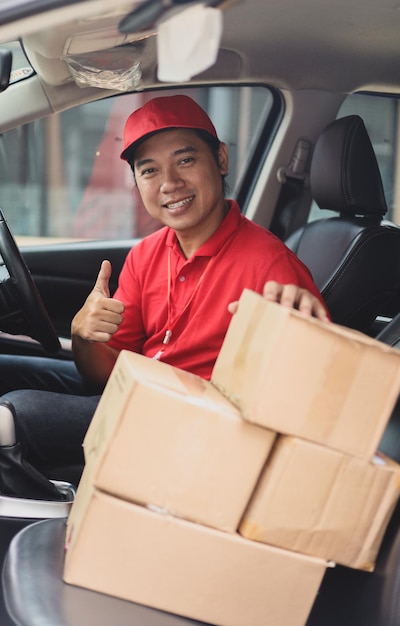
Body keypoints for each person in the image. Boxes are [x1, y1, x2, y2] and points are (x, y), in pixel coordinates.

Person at [0, 94, 329, 479]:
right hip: (139, 393)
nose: (170, 184)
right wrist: (84, 334)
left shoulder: (271, 266)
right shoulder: (147, 254)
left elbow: (311, 391)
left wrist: (304, 334)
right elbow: (105, 376)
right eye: (150, 170)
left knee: (14, 414)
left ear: (220, 159)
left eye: (185, 160)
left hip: (200, 428)